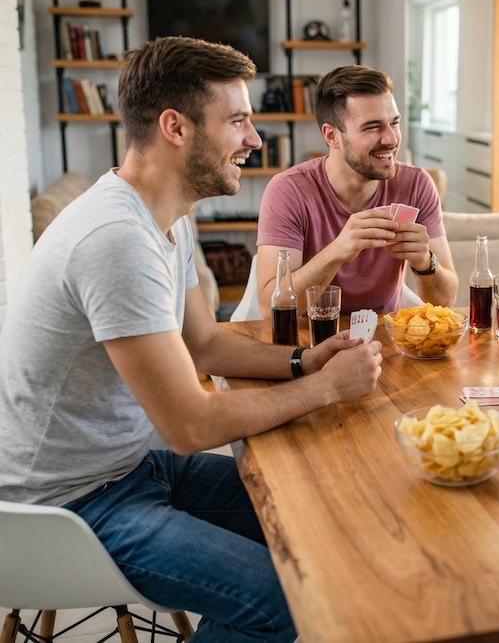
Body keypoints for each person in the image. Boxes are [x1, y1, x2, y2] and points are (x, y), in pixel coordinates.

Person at [0, 36, 384, 643]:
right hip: (66, 509)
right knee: (290, 601)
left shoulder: (164, 219)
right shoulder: (117, 240)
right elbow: (190, 425)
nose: (255, 139)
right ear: (175, 127)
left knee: (323, 522)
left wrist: (303, 360)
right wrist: (325, 389)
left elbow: (205, 344)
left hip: (129, 470)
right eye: (237, 120)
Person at [255, 65, 458, 315]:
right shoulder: (289, 191)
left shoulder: (416, 184)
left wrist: (426, 262)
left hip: (385, 341)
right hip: (312, 343)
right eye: (372, 127)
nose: (391, 139)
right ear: (332, 136)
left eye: (394, 123)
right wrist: (336, 252)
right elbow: (270, 307)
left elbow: (446, 301)